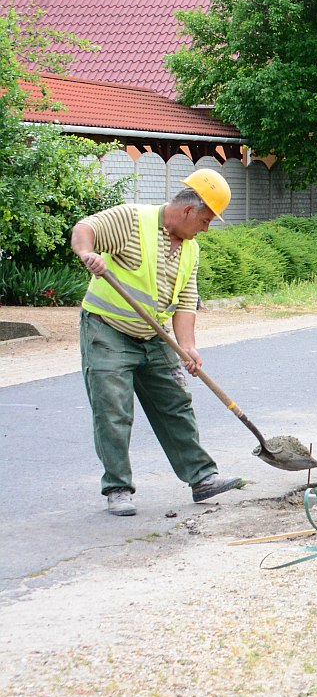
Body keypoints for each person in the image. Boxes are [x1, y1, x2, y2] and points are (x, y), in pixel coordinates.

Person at [71, 169, 244, 517]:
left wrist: (188, 347)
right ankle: (117, 488)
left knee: (175, 403)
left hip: (154, 336)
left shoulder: (190, 250)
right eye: (206, 220)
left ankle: (202, 478)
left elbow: (185, 301)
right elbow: (84, 229)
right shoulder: (131, 219)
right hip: (107, 330)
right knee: (113, 408)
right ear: (188, 211)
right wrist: (87, 253)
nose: (206, 229)